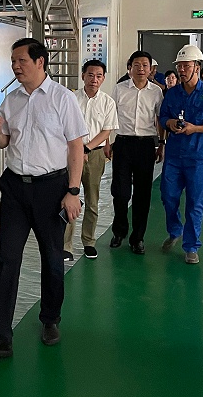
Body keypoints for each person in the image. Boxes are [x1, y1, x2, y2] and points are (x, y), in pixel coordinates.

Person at [0, 38, 87, 359]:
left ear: (40, 62)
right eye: (13, 61)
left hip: (52, 188)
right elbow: (5, 142)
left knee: (52, 257)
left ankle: (50, 319)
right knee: (8, 258)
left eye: (21, 60)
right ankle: (0, 338)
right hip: (16, 189)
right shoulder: (11, 100)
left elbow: (75, 146)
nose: (15, 66)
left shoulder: (62, 98)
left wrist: (73, 191)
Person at [159, 45, 203, 264]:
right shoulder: (172, 94)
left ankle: (191, 246)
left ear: (197, 67)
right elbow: (162, 117)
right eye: (179, 66)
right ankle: (175, 230)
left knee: (195, 202)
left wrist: (195, 128)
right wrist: (170, 123)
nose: (181, 70)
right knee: (168, 196)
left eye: (186, 66)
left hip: (198, 157)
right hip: (174, 156)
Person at [63, 59, 119, 262]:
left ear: (103, 79)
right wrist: (78, 149)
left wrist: (86, 148)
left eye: (98, 76)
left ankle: (88, 242)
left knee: (92, 200)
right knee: (69, 197)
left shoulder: (108, 102)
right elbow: (65, 126)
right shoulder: (70, 98)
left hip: (94, 154)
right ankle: (66, 245)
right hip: (71, 153)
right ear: (83, 76)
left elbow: (106, 130)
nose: (94, 79)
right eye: (90, 75)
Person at [110, 50, 164, 255]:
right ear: (129, 68)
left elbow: (160, 120)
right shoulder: (119, 89)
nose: (141, 69)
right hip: (123, 144)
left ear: (151, 69)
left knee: (143, 194)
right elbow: (109, 117)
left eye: (145, 65)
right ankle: (119, 231)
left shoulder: (156, 92)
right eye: (137, 65)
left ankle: (138, 238)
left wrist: (161, 144)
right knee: (120, 193)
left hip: (145, 146)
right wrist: (108, 142)